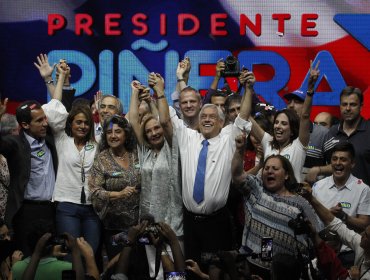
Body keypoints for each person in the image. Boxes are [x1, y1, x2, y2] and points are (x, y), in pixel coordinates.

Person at [157, 69, 253, 264]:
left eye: (211, 117)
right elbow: (166, 119)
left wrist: (249, 89)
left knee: (217, 271)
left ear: (221, 121)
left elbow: (242, 117)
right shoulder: (188, 138)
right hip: (190, 222)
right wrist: (159, 92)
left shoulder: (228, 138)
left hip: (217, 222)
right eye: (203, 117)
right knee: (192, 268)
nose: (207, 119)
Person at [231, 136, 321, 273]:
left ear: (286, 175)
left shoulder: (300, 203)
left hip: (284, 272)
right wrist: (239, 150)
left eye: (275, 168)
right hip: (250, 267)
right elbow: (237, 175)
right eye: (266, 168)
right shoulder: (256, 189)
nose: (269, 171)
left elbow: (317, 233)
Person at [42, 64, 101, 254]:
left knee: (90, 254)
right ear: (71, 123)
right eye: (78, 122)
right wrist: (60, 78)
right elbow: (53, 110)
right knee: (69, 255)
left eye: (86, 123)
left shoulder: (97, 142)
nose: (83, 126)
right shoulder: (62, 137)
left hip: (93, 208)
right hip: (67, 205)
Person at [129, 78, 183, 278]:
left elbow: (165, 120)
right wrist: (134, 93)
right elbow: (134, 120)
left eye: (156, 128)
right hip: (148, 223)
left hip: (171, 223)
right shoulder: (145, 150)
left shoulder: (172, 148)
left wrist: (156, 95)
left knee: (175, 274)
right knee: (155, 273)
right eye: (149, 130)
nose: (153, 133)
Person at [0, 98, 58, 257]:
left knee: (51, 256)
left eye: (44, 118)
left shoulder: (49, 138)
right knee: (28, 257)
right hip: (26, 211)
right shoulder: (14, 144)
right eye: (39, 120)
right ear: (25, 125)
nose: (45, 123)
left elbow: (60, 105)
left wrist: (60, 80)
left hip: (50, 210)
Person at [244, 61, 319, 182]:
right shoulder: (268, 142)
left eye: (284, 124)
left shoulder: (299, 146)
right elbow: (246, 116)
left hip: (290, 199)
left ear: (292, 130)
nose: (278, 126)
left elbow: (305, 116)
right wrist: (248, 88)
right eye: (277, 122)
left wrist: (310, 89)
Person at [89, 114, 140, 260]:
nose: (113, 136)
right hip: (114, 228)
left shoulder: (136, 154)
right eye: (109, 132)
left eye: (118, 131)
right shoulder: (102, 159)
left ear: (126, 133)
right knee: (117, 269)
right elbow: (94, 191)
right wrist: (118, 194)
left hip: (139, 227)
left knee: (140, 270)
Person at [302, 184, 370, 280]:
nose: (362, 235)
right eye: (364, 232)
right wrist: (311, 198)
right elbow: (336, 224)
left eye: (366, 235)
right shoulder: (361, 244)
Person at [313, 142, 370, 233]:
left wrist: (344, 216)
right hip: (322, 244)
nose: (338, 163)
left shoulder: (363, 189)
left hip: (349, 247)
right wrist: (327, 214)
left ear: (352, 164)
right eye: (334, 159)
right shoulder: (318, 186)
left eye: (343, 159)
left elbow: (365, 224)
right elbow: (311, 219)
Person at [322, 86, 370, 186]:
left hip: (365, 198)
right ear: (340, 106)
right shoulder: (332, 132)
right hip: (334, 198)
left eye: (352, 105)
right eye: (344, 104)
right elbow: (327, 163)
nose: (348, 108)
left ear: (361, 106)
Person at [284, 88, 328, 182]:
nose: (291, 105)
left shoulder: (322, 133)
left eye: (297, 101)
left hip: (312, 191)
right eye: (289, 102)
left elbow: (335, 165)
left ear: (307, 106)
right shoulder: (281, 133)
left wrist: (318, 170)